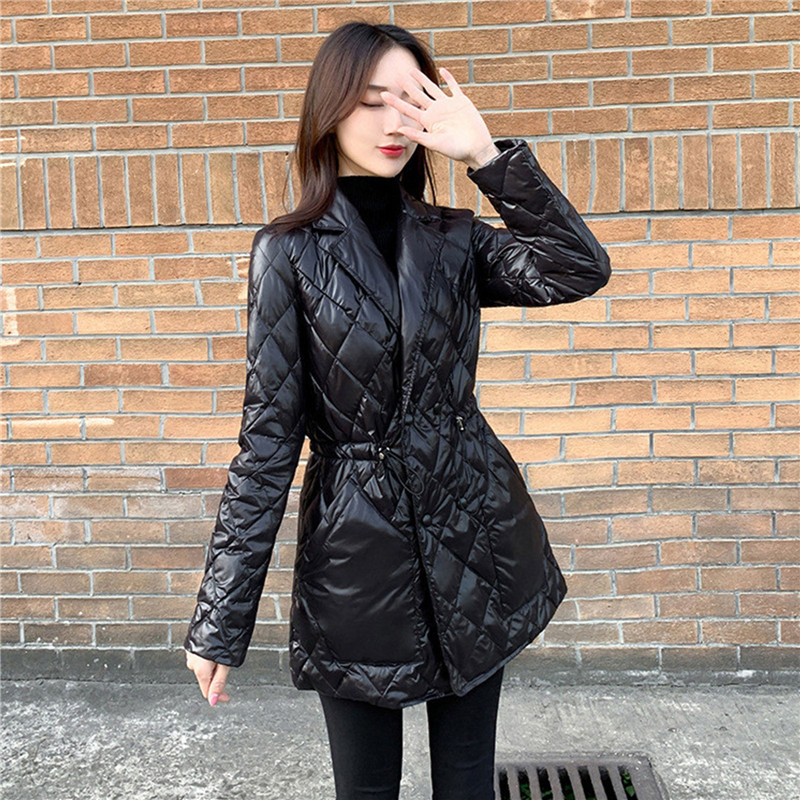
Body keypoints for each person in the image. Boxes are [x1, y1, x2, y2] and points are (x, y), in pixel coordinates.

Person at [184, 20, 611, 800]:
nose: (392, 121)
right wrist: (221, 619)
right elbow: (268, 442)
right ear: (329, 111)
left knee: (467, 783)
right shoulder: (289, 252)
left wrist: (487, 158)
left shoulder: (454, 239)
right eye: (370, 99)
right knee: (366, 789)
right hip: (357, 555)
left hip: (475, 534)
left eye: (410, 100)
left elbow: (575, 268)